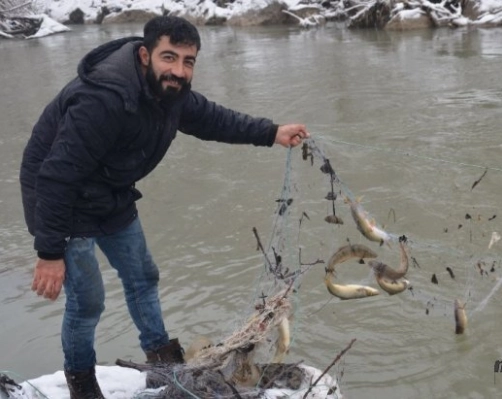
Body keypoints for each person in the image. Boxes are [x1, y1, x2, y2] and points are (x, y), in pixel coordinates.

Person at [19, 16, 309, 398]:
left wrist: (271, 133)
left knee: (143, 276)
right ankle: (82, 384)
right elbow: (56, 176)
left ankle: (163, 364)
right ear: (145, 55)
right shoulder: (104, 99)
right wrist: (49, 252)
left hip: (110, 192)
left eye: (188, 61)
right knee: (88, 301)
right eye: (169, 57)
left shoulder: (169, 93)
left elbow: (213, 119)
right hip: (64, 199)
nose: (178, 70)